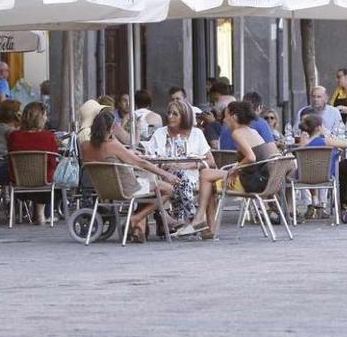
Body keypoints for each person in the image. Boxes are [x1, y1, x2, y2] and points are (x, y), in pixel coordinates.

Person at [177, 101, 280, 238]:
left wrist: (234, 171)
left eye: (226, 116)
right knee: (209, 183)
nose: (223, 120)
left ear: (234, 117)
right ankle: (209, 228)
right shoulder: (252, 131)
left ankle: (199, 218)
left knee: (205, 174)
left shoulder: (238, 133)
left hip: (253, 181)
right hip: (264, 180)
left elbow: (251, 157)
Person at [82, 109, 178, 242]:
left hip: (103, 190)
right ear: (111, 128)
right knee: (167, 189)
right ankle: (136, 219)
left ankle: (139, 227)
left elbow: (106, 149)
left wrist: (124, 149)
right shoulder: (113, 146)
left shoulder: (85, 146)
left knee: (152, 188)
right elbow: (141, 163)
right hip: (127, 188)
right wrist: (166, 174)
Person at [6, 102, 59, 225]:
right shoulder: (48, 137)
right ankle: (41, 213)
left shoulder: (14, 136)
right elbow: (52, 161)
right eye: (45, 115)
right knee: (52, 172)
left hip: (19, 181)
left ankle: (24, 212)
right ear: (40, 118)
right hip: (43, 182)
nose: (46, 118)